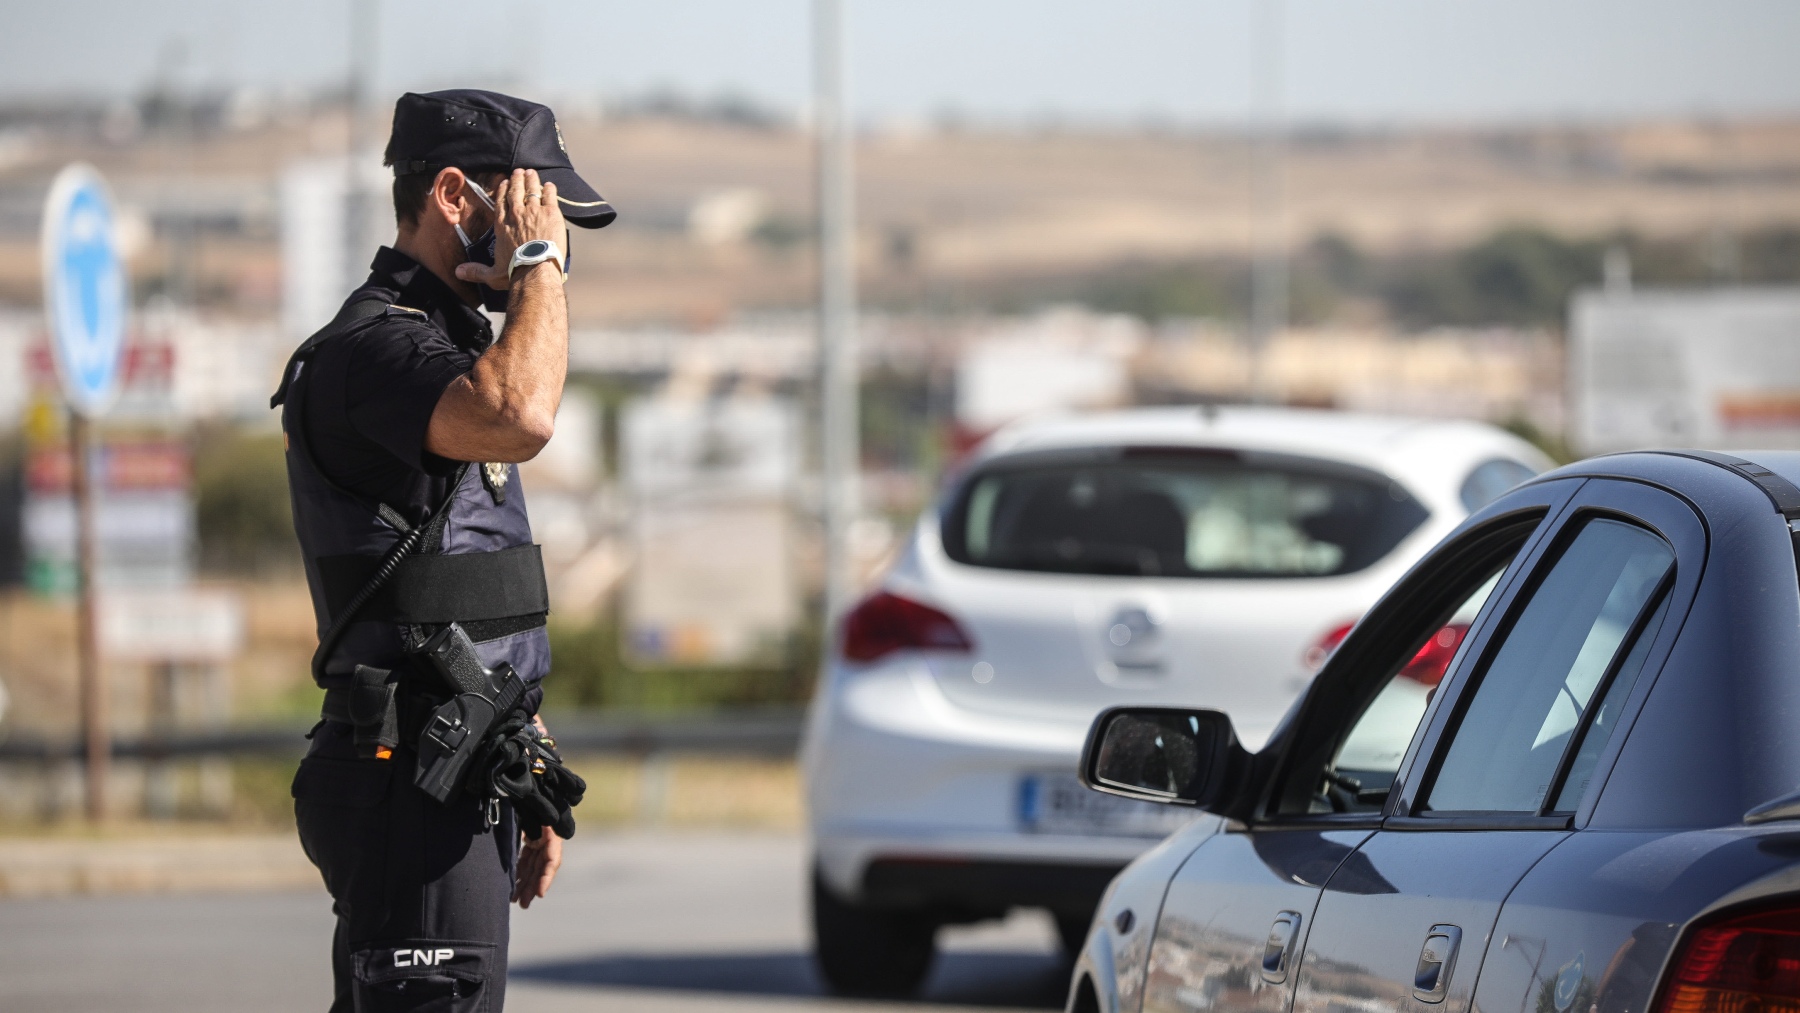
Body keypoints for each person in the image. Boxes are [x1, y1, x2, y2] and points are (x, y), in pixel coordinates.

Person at [272, 89, 615, 1012]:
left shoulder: (447, 352)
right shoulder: (376, 351)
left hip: (455, 766)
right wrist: (537, 267)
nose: (558, 240)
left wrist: (523, 748)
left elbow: (453, 582)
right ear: (457, 196)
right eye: (536, 207)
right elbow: (523, 415)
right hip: (406, 782)